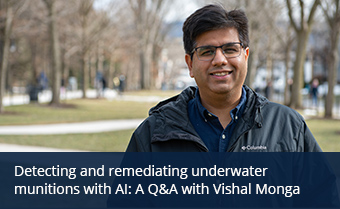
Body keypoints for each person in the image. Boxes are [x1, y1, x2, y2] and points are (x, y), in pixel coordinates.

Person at [126, 4, 321, 152]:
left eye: (230, 49)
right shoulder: (152, 135)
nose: (219, 60)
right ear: (190, 64)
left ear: (245, 56)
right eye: (207, 51)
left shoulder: (289, 128)